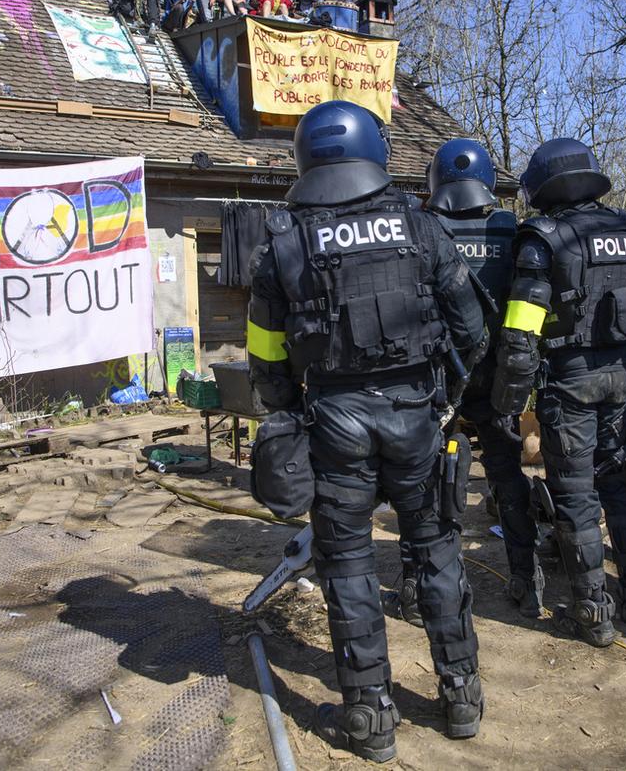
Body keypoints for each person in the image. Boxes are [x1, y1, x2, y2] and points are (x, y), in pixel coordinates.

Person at [247, 101, 486, 762]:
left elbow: (265, 358)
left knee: (348, 569)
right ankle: (461, 694)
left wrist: (292, 411)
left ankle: (370, 716)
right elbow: (472, 328)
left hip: (332, 425)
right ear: (375, 151)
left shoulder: (285, 239)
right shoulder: (422, 223)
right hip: (417, 417)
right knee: (436, 553)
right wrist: (449, 398)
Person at [492, 138, 626, 640]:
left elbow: (522, 333)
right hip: (624, 377)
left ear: (543, 183)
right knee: (620, 487)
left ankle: (592, 612)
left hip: (572, 381)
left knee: (577, 497)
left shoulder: (544, 238)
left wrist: (507, 401)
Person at [415, 138, 542, 619]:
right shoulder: (514, 232)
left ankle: (420, 585)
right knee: (508, 479)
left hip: (439, 377)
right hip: (500, 377)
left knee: (428, 483)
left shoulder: (423, 228)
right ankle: (527, 581)